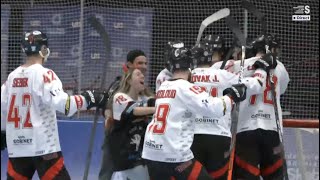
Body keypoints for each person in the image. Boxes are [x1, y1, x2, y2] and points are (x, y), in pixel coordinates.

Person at [0, 30, 106, 179]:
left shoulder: (11, 78)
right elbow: (65, 106)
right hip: (44, 148)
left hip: (18, 149)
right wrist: (89, 99)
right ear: (44, 50)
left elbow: (2, 110)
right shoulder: (45, 74)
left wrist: (3, 131)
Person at [142, 47, 247, 180]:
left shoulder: (163, 87)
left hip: (151, 152)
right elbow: (215, 108)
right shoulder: (186, 87)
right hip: (174, 155)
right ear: (190, 66)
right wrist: (232, 96)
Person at [189, 39, 276, 179]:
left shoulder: (188, 78)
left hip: (191, 136)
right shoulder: (221, 75)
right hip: (219, 137)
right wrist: (261, 68)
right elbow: (257, 84)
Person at [232, 34, 290, 180]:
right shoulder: (280, 67)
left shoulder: (240, 65)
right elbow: (281, 89)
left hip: (245, 130)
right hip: (272, 129)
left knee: (246, 176)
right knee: (276, 175)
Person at [99, 49, 149, 180]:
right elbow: (107, 108)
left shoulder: (144, 87)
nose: (144, 67)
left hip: (137, 139)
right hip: (117, 139)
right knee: (107, 173)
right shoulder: (118, 86)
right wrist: (110, 123)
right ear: (129, 65)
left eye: (145, 63)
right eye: (140, 63)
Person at [109, 68, 155, 180]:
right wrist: (158, 108)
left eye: (143, 75)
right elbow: (133, 110)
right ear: (129, 80)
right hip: (123, 159)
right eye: (138, 74)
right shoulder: (119, 97)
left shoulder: (145, 99)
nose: (143, 76)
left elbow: (152, 101)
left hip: (140, 158)